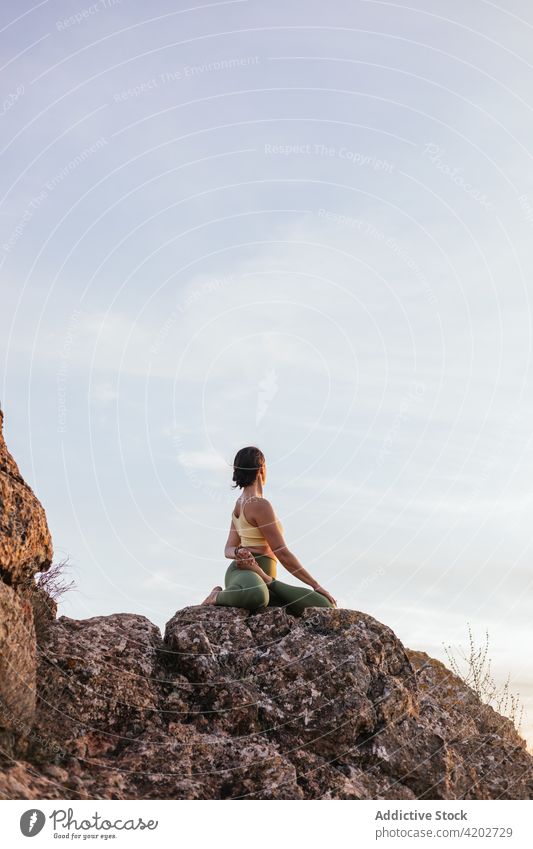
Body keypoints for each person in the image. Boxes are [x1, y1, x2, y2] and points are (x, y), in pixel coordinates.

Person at [201, 446, 337, 613]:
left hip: (264, 579)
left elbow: (227, 549)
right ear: (262, 469)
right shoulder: (258, 505)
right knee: (257, 596)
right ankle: (216, 596)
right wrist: (315, 584)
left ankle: (267, 580)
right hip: (244, 575)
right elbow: (281, 552)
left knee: (324, 606)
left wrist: (239, 554)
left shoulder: (243, 504)